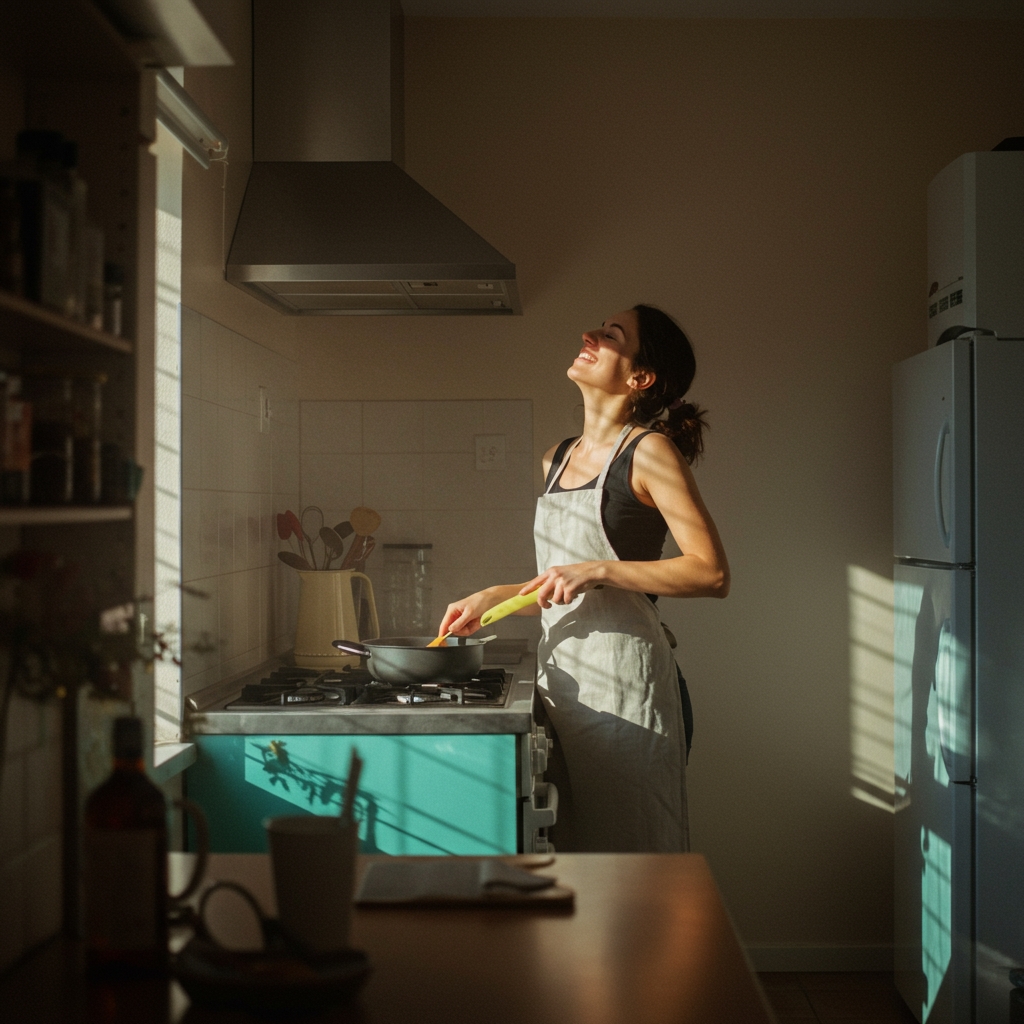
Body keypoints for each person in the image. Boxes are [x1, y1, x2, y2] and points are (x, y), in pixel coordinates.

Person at [438, 305, 729, 852]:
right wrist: (495, 598)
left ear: (640, 377)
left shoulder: (650, 452)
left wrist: (598, 569)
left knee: (635, 861)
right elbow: (563, 585)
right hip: (563, 684)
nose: (588, 334)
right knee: (575, 862)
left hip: (627, 688)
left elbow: (711, 572)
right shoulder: (556, 458)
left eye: (612, 335)